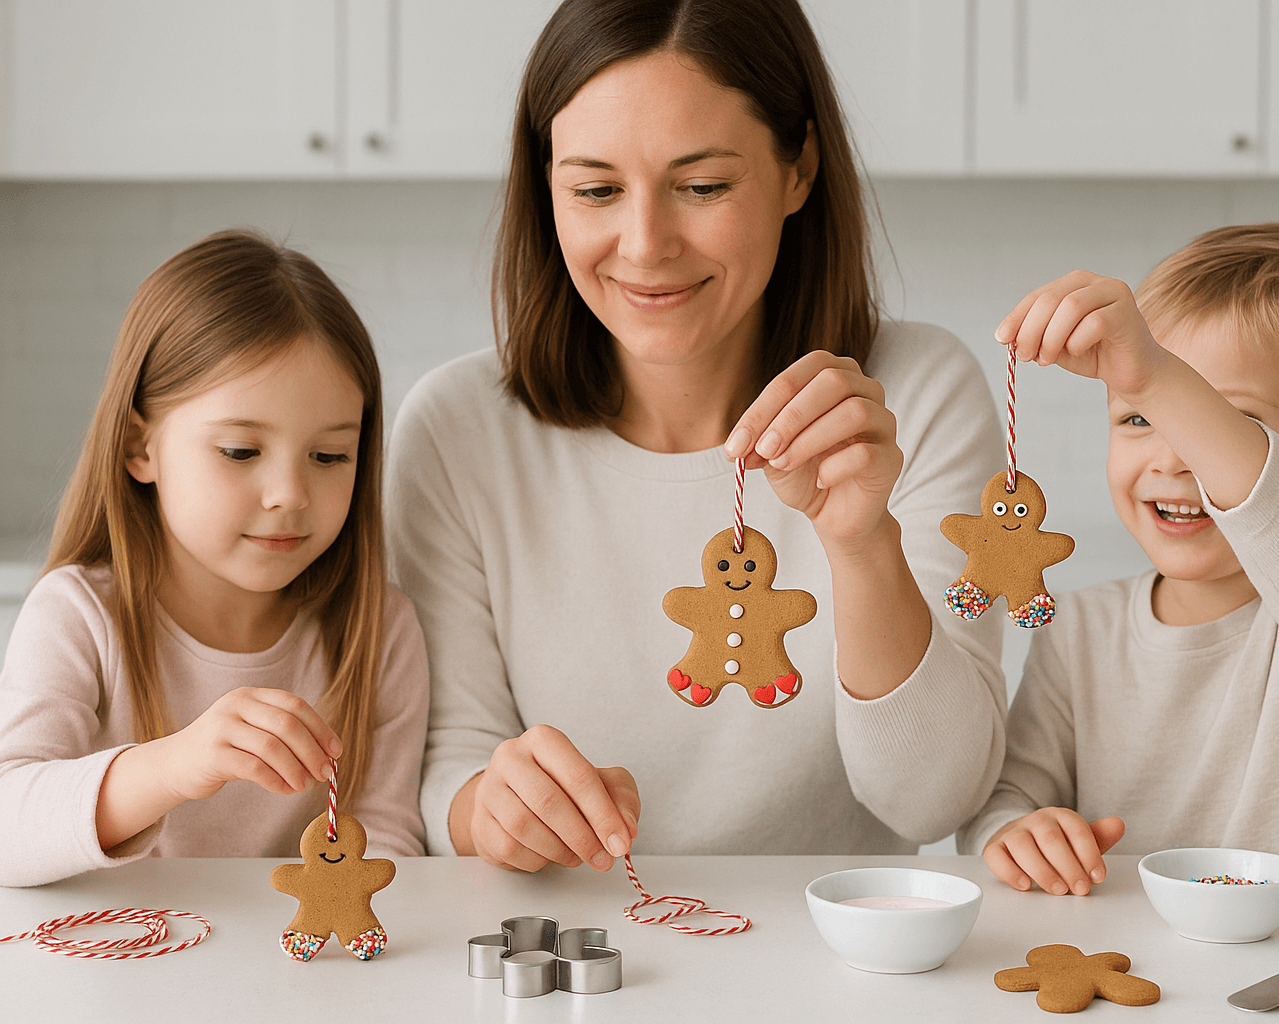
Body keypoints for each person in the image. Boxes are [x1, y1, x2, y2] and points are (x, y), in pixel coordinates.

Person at [388, 0, 1007, 870]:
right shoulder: (455, 431)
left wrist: (863, 545)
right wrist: (486, 811)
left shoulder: (916, 396)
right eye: (596, 190)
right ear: (547, 187)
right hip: (574, 959)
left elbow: (935, 799)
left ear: (799, 169)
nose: (644, 246)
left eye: (703, 186)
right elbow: (447, 762)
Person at [0, 230, 429, 888]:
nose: (291, 494)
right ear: (139, 448)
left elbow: (388, 839)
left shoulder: (380, 632)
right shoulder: (80, 614)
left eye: (329, 456)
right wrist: (175, 766)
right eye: (240, 451)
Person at [964, 223, 1279, 896]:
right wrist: (1014, 831)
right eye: (1137, 418)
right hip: (1137, 977)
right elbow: (1009, 796)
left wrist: (1155, 378)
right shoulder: (1079, 632)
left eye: (1223, 420)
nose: (1173, 456)